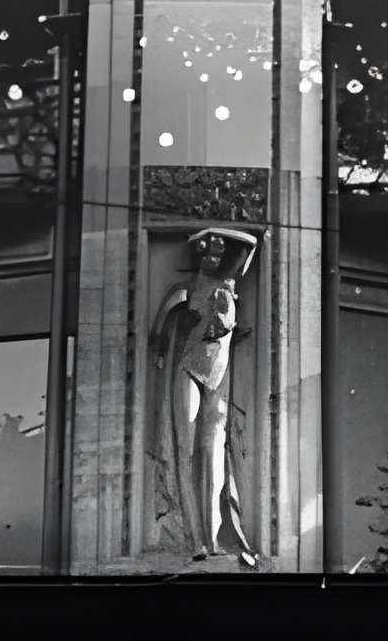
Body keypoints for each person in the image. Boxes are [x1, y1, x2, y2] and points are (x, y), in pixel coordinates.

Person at [151, 228, 259, 560]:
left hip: (218, 376)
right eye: (209, 252)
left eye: (220, 253)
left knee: (213, 456)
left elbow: (251, 245)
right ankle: (194, 538)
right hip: (189, 369)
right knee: (186, 450)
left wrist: (218, 235)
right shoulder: (184, 290)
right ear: (200, 255)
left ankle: (212, 539)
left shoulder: (230, 288)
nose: (215, 257)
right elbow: (158, 335)